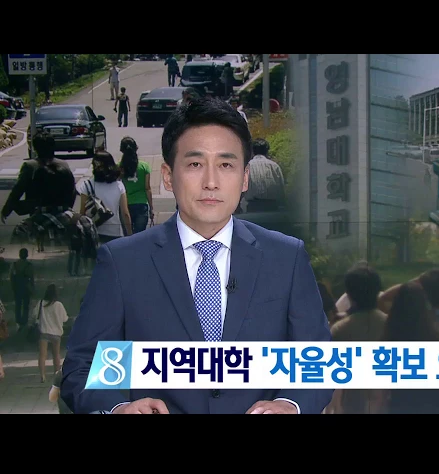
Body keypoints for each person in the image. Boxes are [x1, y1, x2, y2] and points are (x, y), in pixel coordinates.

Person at [60, 97, 332, 415]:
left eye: (226, 165)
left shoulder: (287, 258)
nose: (211, 183)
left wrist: (290, 405)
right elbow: (81, 368)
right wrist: (118, 407)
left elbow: (319, 362)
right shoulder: (121, 263)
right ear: (167, 175)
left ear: (245, 177)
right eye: (195, 165)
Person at [119, 137, 154, 233]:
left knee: (127, 236)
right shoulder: (144, 166)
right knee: (139, 236)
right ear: (136, 148)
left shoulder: (119, 168)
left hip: (125, 205)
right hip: (141, 205)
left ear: (121, 150)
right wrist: (151, 208)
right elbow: (147, 188)